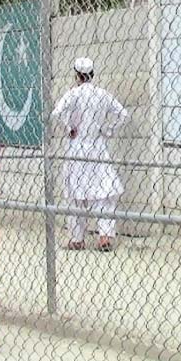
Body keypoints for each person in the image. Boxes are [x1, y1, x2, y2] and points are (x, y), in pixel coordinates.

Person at [50, 57, 129, 251]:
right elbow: (123, 114)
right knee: (103, 194)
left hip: (77, 148)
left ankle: (77, 239)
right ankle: (105, 237)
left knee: (76, 195)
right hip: (98, 146)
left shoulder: (73, 94)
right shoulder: (102, 94)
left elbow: (56, 113)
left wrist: (69, 128)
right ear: (92, 74)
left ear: (77, 75)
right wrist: (108, 130)